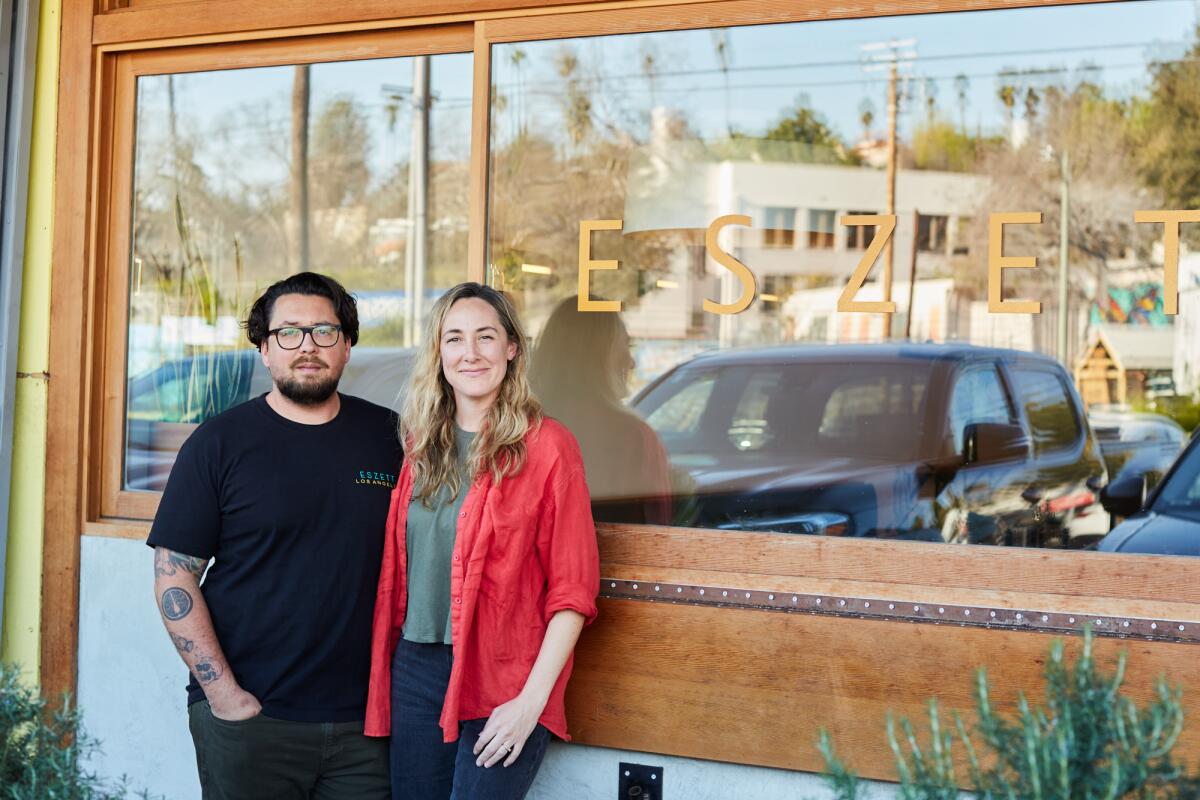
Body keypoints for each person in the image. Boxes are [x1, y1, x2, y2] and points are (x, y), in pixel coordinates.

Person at [148, 272, 400, 800]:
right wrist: (225, 697)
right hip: (252, 719)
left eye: (324, 331)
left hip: (368, 725)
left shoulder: (390, 438)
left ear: (347, 346)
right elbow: (174, 578)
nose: (306, 346)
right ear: (265, 349)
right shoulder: (218, 444)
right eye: (288, 332)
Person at [363, 282, 600, 800]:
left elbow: (573, 593)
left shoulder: (548, 447)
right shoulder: (420, 446)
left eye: (486, 337)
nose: (470, 353)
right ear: (438, 352)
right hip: (417, 671)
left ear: (511, 348)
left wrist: (529, 705)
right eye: (454, 339)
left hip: (504, 676)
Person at [529, 296, 672, 525]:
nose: (631, 362)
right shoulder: (633, 437)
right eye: (625, 345)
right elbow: (654, 534)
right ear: (597, 355)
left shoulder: (520, 425)